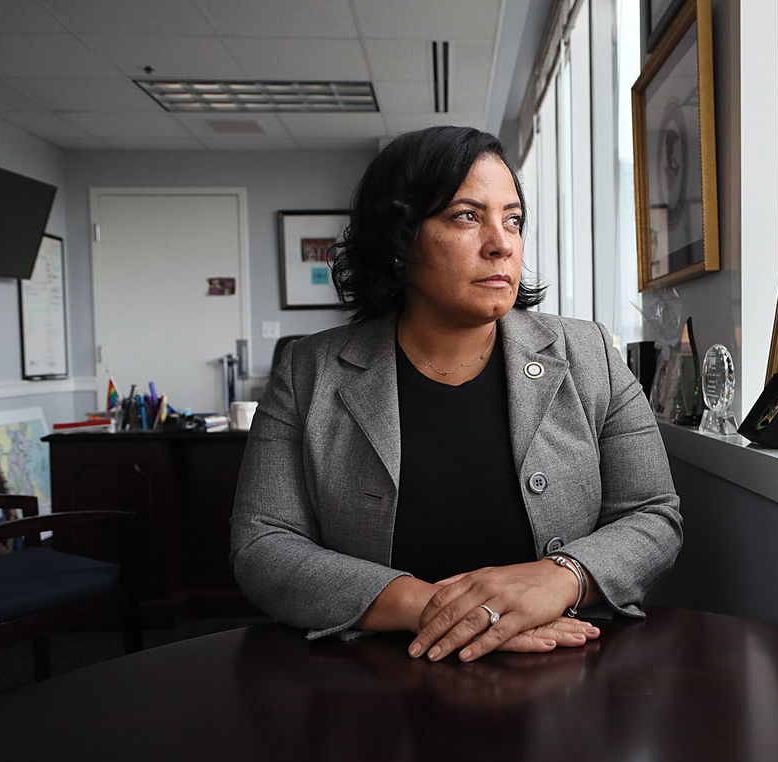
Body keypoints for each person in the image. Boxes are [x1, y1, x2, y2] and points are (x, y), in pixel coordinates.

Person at [230, 126, 682, 663]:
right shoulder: (309, 371)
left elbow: (653, 515)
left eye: (512, 220)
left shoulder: (590, 355)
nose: (502, 243)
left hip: (563, 667)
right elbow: (264, 545)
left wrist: (561, 578)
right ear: (399, 240)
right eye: (467, 216)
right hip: (378, 677)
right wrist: (437, 607)